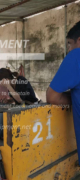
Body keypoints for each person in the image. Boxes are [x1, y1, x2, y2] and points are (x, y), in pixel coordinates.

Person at [46, 21, 80, 163]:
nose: (69, 49)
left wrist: (73, 98)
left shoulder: (76, 56)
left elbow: (52, 96)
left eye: (69, 44)